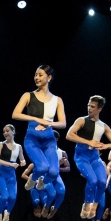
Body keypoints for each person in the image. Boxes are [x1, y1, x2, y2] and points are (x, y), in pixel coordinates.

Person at [11, 64, 66, 199]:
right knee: (41, 167)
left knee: (53, 172)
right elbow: (15, 114)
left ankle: (42, 181)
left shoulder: (57, 100)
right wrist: (37, 118)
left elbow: (63, 123)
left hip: (49, 139)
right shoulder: (28, 96)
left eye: (40, 75)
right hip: (32, 139)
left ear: (49, 77)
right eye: (36, 74)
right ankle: (33, 178)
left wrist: (49, 123)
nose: (36, 77)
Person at [66, 95, 111, 221]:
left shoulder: (103, 126)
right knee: (93, 180)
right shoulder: (81, 121)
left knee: (102, 181)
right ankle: (87, 204)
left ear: (99, 109)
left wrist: (105, 146)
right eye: (89, 105)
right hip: (81, 155)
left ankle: (94, 205)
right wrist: (88, 142)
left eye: (93, 107)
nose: (89, 108)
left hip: (94, 156)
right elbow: (69, 135)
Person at [0, 124, 27, 221]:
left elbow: (22, 159)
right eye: (4, 131)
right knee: (4, 196)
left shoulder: (19, 147)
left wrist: (23, 162)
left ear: (13, 132)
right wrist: (10, 164)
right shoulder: (1, 144)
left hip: (11, 174)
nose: (5, 133)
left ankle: (7, 212)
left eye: (7, 131)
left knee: (12, 197)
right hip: (1, 173)